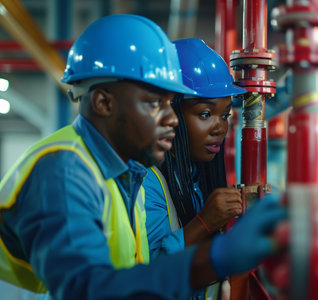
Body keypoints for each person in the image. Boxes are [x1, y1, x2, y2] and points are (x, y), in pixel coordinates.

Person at [0, 14, 285, 300]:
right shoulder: (63, 173)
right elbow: (90, 289)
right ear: (103, 102)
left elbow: (132, 273)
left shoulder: (125, 172)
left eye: (169, 103)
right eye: (155, 103)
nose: (172, 119)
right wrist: (217, 257)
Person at [143, 38, 247, 299]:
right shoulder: (147, 182)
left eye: (225, 115)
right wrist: (205, 222)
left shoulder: (195, 178)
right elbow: (152, 270)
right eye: (204, 114)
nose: (219, 128)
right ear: (169, 111)